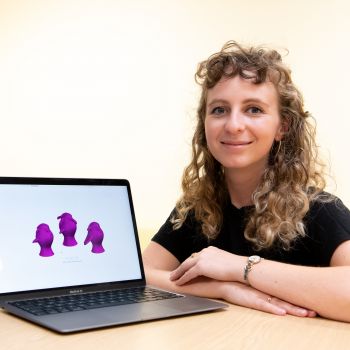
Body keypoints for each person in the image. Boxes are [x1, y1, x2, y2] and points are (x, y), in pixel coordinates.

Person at [142, 41, 350, 322]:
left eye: (253, 109)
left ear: (282, 127)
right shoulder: (196, 210)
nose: (233, 125)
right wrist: (224, 288)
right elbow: (141, 274)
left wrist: (240, 268)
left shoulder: (321, 209)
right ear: (204, 124)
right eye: (219, 110)